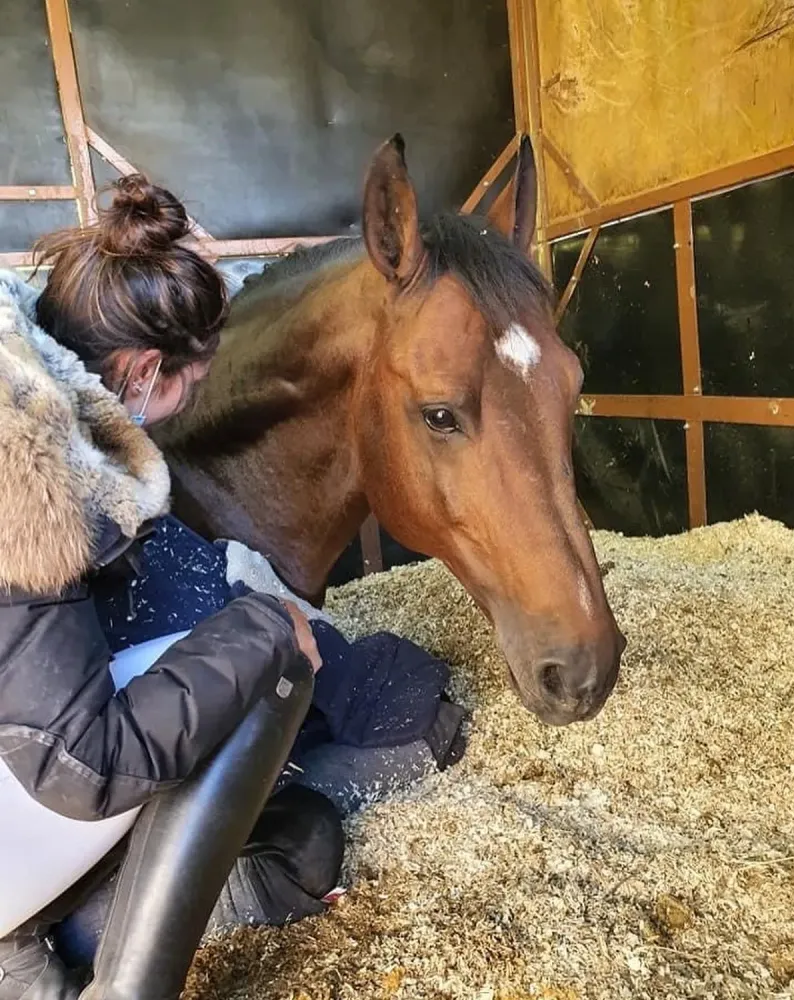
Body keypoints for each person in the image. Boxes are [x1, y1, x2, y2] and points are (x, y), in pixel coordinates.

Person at [0, 176, 466, 1000]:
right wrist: (260, 631)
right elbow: (84, 763)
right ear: (144, 372)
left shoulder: (38, 389)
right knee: (281, 772)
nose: (194, 401)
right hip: (44, 787)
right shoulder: (30, 484)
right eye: (195, 381)